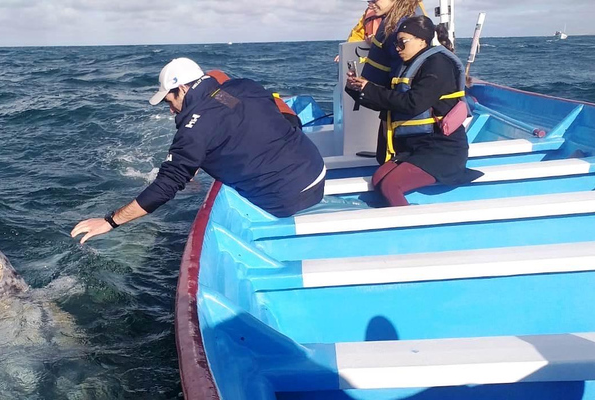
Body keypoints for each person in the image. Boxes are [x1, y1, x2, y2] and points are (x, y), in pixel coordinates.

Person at [70, 58, 326, 244]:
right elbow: (274, 111)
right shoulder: (240, 88)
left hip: (286, 200)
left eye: (169, 101)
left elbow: (164, 187)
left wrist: (110, 221)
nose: (171, 110)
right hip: (316, 170)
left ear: (181, 88)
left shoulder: (193, 131)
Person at [345, 16, 482, 207]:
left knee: (391, 186)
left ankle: (407, 227)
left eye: (403, 42)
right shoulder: (405, 66)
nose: (398, 48)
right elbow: (387, 102)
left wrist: (370, 88)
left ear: (422, 40)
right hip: (413, 149)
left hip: (442, 148)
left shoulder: (439, 64)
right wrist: (357, 89)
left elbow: (413, 104)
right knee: (378, 179)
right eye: (396, 43)